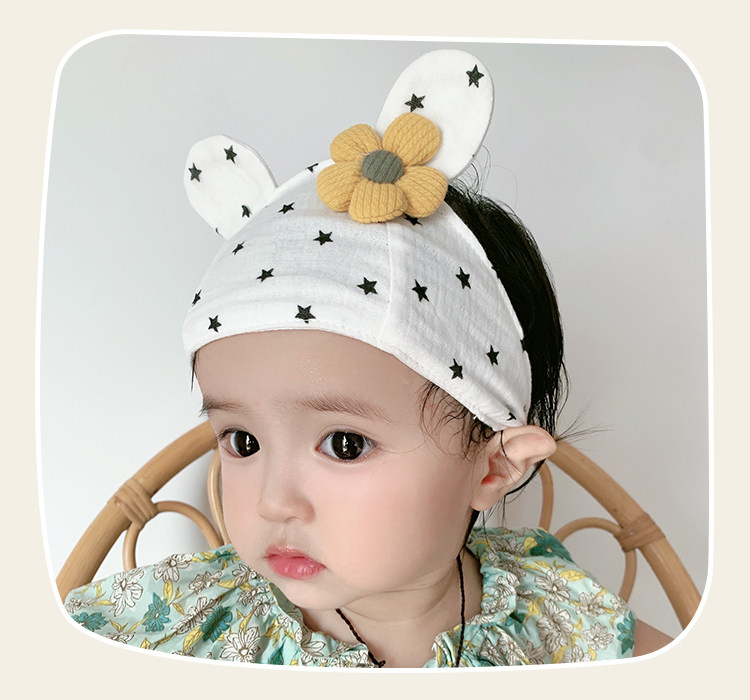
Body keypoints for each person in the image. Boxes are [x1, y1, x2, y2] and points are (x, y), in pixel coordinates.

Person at [64, 49, 666, 666]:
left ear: (494, 468)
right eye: (242, 442)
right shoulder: (185, 623)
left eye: (345, 445)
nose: (274, 502)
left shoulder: (559, 623)